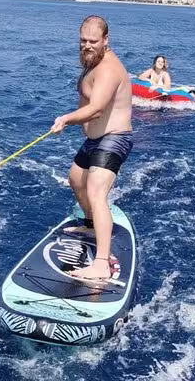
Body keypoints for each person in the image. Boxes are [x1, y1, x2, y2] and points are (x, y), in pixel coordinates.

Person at [51, 15, 133, 282]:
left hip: (114, 137)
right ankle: (90, 226)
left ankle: (101, 264)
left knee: (97, 191)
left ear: (106, 40)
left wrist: (66, 119)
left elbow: (97, 108)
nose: (87, 45)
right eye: (83, 40)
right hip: (95, 140)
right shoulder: (90, 62)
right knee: (76, 179)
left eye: (93, 41)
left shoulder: (109, 68)